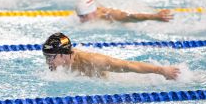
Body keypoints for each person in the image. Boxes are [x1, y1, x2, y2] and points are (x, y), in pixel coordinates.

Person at [42, 33, 180, 80]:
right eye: (46, 57)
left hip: (125, 80)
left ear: (63, 55)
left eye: (50, 57)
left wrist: (162, 71)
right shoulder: (58, 64)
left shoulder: (92, 60)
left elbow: (128, 65)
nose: (47, 61)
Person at [75, 0, 173, 23]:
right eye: (79, 16)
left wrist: (154, 17)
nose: (81, 19)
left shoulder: (108, 15)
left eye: (83, 16)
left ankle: (162, 13)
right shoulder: (92, 13)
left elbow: (130, 17)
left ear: (92, 12)